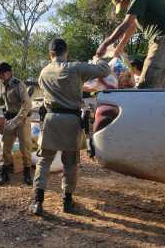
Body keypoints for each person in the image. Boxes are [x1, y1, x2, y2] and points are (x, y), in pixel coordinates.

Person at [30, 38, 111, 215]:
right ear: (66, 52)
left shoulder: (43, 72)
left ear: (50, 54)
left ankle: (37, 202)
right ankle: (67, 201)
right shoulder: (75, 68)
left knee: (44, 162)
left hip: (51, 120)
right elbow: (105, 70)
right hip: (71, 121)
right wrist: (97, 59)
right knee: (70, 163)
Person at [96, 0, 165, 88]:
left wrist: (105, 44)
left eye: (123, 5)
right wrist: (119, 47)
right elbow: (131, 28)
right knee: (159, 84)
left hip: (163, 39)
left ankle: (146, 104)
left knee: (147, 83)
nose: (125, 8)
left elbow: (126, 23)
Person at [0, 62, 33, 186]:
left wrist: (16, 121)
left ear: (9, 73)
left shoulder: (18, 85)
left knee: (24, 147)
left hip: (21, 120)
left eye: (2, 75)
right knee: (6, 146)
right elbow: (2, 100)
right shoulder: (4, 85)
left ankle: (27, 173)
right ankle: (5, 174)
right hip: (9, 120)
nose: (0, 77)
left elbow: (26, 106)